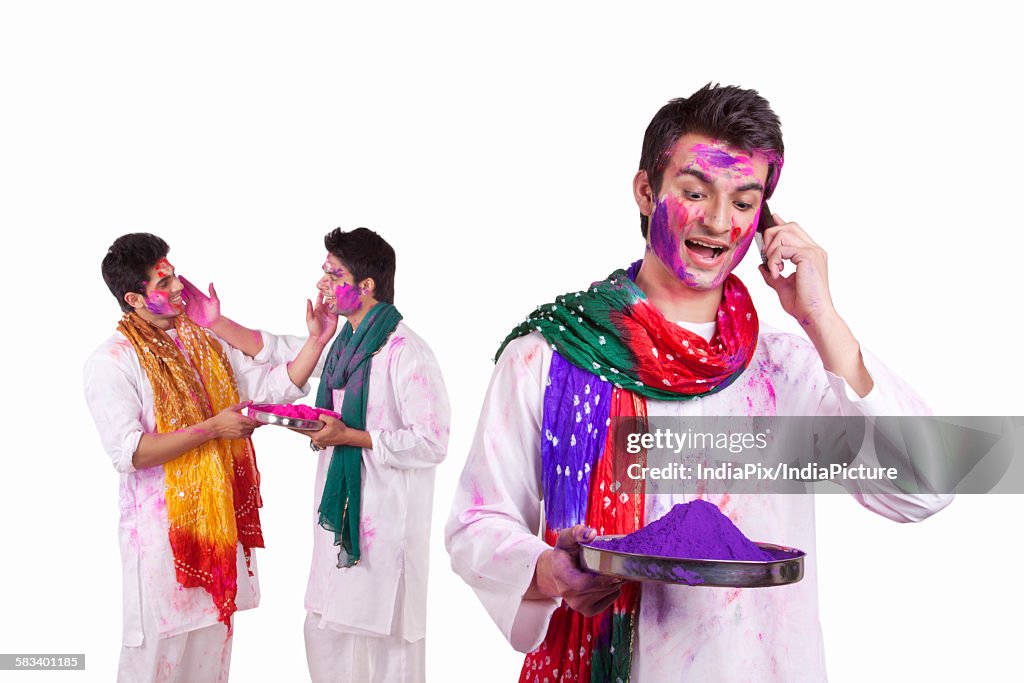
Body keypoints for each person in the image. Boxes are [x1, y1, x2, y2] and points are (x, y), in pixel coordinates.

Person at [445, 84, 953, 682]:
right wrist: (546, 570)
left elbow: (924, 488)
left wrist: (823, 319)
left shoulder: (787, 369)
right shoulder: (552, 356)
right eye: (694, 192)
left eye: (744, 202)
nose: (718, 221)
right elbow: (476, 523)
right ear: (645, 191)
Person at [184, 227, 450, 683]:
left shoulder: (406, 352)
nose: (321, 283)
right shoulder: (342, 345)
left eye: (333, 273)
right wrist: (216, 323)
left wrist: (351, 437)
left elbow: (432, 441)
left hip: (386, 531)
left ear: (365, 286)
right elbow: (279, 352)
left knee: (388, 658)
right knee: (324, 637)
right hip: (337, 523)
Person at [83, 233, 330, 683]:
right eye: (164, 283)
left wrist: (316, 342)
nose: (179, 288)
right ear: (134, 299)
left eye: (175, 275)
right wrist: (214, 428)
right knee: (153, 669)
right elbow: (132, 452)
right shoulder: (112, 361)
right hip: (163, 546)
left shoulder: (203, 343)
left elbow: (268, 386)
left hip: (217, 537)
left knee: (211, 668)